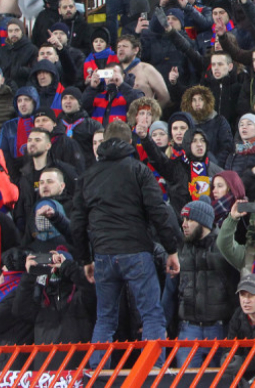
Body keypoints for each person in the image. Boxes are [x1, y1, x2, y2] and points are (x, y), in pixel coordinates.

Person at [69, 121, 183, 370]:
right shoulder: (138, 170)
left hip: (103, 256)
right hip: (136, 253)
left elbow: (76, 222)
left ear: (104, 142)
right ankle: (153, 370)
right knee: (151, 313)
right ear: (130, 143)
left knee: (105, 318)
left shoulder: (88, 175)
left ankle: (98, 373)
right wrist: (171, 250)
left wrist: (85, 259)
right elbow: (158, 212)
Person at [166, 200, 239, 368]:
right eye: (183, 220)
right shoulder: (180, 249)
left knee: (220, 382)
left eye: (189, 220)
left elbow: (236, 289)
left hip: (220, 329)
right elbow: (170, 292)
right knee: (187, 382)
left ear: (204, 222)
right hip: (188, 329)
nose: (184, 225)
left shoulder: (224, 247)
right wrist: (165, 322)